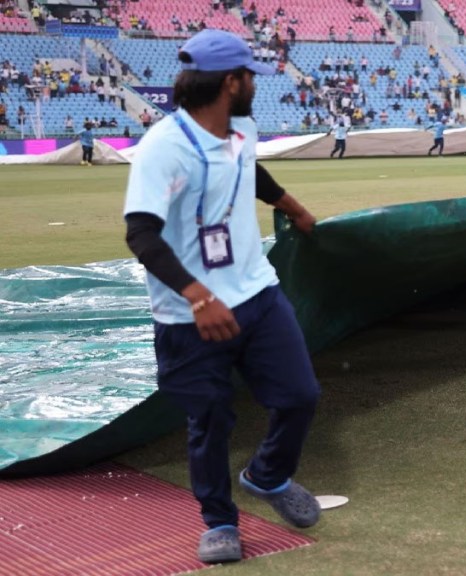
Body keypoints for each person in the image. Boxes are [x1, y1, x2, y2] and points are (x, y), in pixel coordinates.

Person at [122, 29, 322, 565]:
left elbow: (247, 169)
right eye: (250, 75)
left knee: (300, 395)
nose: (256, 83)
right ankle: (219, 522)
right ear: (231, 82)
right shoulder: (162, 148)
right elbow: (141, 233)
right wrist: (197, 296)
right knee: (209, 422)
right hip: (189, 314)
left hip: (257, 291)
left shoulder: (242, 127)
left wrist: (294, 207)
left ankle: (267, 475)